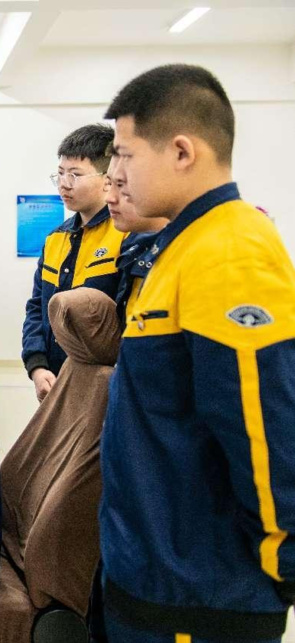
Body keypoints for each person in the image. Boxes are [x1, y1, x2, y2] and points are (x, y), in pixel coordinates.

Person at [100, 63, 295, 643]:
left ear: (182, 151)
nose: (116, 174)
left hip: (201, 595)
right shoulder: (179, 247)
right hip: (159, 579)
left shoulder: (230, 249)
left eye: (125, 155)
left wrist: (282, 562)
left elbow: (265, 425)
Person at [21, 124, 126, 402]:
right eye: (60, 174)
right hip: (55, 382)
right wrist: (37, 366)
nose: (64, 184)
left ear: (107, 179)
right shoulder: (57, 238)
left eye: (75, 175)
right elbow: (36, 308)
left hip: (104, 387)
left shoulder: (125, 236)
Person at [103, 149, 167, 321]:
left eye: (122, 184)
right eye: (109, 184)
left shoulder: (198, 253)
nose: (109, 198)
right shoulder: (135, 248)